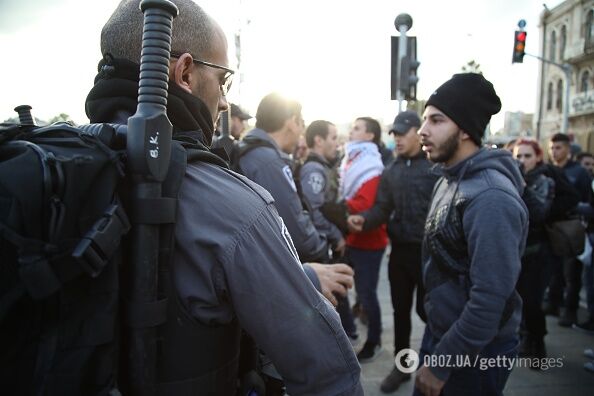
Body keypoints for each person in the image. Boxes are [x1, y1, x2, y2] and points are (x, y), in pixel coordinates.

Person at [86, 1, 362, 394]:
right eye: (223, 80)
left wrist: (301, 275)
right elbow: (329, 374)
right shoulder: (236, 206)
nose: (224, 101)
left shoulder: (53, 171)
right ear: (184, 72)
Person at [414, 73, 528, 396]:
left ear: (465, 129)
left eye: (436, 120)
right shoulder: (447, 179)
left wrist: (442, 362)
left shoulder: (491, 197)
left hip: (475, 354)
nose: (423, 130)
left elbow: (490, 298)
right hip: (445, 337)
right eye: (424, 119)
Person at [348, 110, 439, 392]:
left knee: (431, 313)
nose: (397, 139)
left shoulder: (437, 167)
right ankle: (402, 367)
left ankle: (437, 366)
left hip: (429, 255)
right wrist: (365, 220)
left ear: (418, 132)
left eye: (402, 133)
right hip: (399, 254)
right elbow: (382, 208)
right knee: (400, 313)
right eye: (395, 134)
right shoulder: (392, 170)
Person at [238, 93, 329, 263]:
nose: (302, 132)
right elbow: (295, 231)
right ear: (292, 122)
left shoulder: (251, 150)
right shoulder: (270, 162)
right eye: (302, 124)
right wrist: (323, 247)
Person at [513, 139, 579, 366]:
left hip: (540, 249)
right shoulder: (513, 179)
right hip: (518, 249)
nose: (522, 161)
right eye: (518, 156)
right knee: (520, 299)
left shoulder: (544, 180)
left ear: (538, 157)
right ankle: (526, 338)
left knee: (532, 300)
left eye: (527, 156)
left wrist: (521, 188)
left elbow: (539, 213)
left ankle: (537, 343)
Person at [340, 117, 388, 362]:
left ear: (370, 136)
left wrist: (337, 208)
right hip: (352, 239)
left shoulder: (371, 164)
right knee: (353, 292)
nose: (351, 130)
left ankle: (374, 340)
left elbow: (365, 205)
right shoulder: (353, 158)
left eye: (357, 128)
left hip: (369, 243)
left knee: (367, 294)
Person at [547, 133, 592, 327]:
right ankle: (553, 304)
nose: (555, 151)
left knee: (571, 273)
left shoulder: (579, 172)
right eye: (552, 148)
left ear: (567, 149)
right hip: (551, 228)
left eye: (558, 148)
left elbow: (586, 201)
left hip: (571, 228)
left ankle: (570, 311)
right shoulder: (549, 170)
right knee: (553, 271)